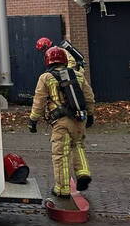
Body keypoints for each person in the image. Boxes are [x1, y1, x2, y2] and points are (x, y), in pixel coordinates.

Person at [29, 46, 96, 199]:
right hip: (79, 120)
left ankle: (62, 189)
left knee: (60, 154)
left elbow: (39, 101)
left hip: (61, 122)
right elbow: (89, 97)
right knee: (78, 145)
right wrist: (91, 115)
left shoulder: (46, 78)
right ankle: (83, 173)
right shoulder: (78, 75)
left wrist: (33, 120)